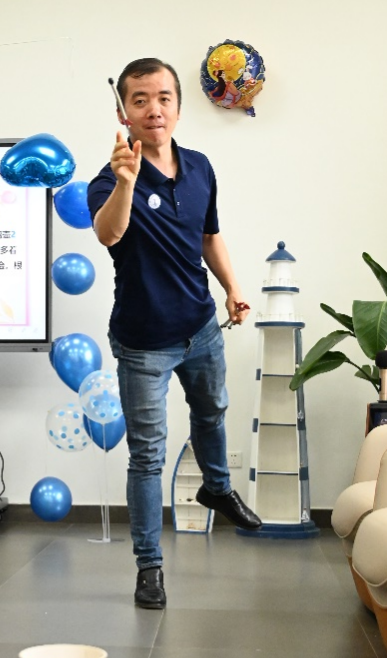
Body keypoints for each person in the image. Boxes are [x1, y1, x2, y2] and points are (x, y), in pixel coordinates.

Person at [88, 56, 262, 610]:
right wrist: (125, 183)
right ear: (124, 113)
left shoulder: (201, 167)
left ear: (178, 108)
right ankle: (149, 567)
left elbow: (209, 237)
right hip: (143, 342)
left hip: (201, 326)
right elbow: (109, 234)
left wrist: (232, 288)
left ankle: (217, 487)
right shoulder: (108, 180)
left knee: (212, 412)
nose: (153, 109)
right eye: (139, 100)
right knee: (147, 456)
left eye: (163, 98)